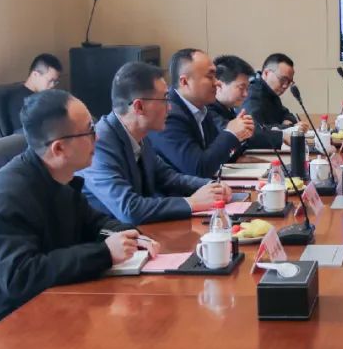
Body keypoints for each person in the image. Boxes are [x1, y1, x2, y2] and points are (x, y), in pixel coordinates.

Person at [0, 90, 158, 332]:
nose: (98, 137)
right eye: (89, 130)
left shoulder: (60, 178)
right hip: (10, 324)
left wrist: (130, 236)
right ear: (59, 149)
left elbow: (96, 224)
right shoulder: (5, 195)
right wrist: (105, 253)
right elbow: (20, 276)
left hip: (60, 304)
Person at [80, 62, 231, 225]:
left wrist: (212, 186)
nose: (170, 107)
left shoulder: (140, 135)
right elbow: (129, 209)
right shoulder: (99, 143)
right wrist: (192, 202)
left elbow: (167, 177)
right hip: (109, 235)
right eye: (165, 99)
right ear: (139, 106)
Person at [148, 49, 255, 178]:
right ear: (184, 82)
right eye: (210, 77)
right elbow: (198, 169)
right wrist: (231, 133)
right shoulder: (169, 115)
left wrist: (238, 135)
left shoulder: (202, 109)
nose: (217, 82)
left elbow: (217, 156)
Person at [212, 55, 287, 152]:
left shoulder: (228, 109)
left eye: (247, 88)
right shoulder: (207, 111)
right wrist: (282, 137)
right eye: (241, 87)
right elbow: (239, 135)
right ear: (219, 85)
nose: (246, 94)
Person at [242, 53, 307, 129]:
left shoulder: (271, 93)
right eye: (282, 79)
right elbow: (256, 129)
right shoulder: (251, 94)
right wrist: (289, 127)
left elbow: (287, 114)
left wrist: (288, 120)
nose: (285, 86)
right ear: (266, 73)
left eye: (289, 82)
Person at [3, 53, 63, 134]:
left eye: (55, 81)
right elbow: (26, 134)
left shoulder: (45, 96)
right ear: (35, 75)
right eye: (50, 80)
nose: (53, 85)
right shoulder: (20, 100)